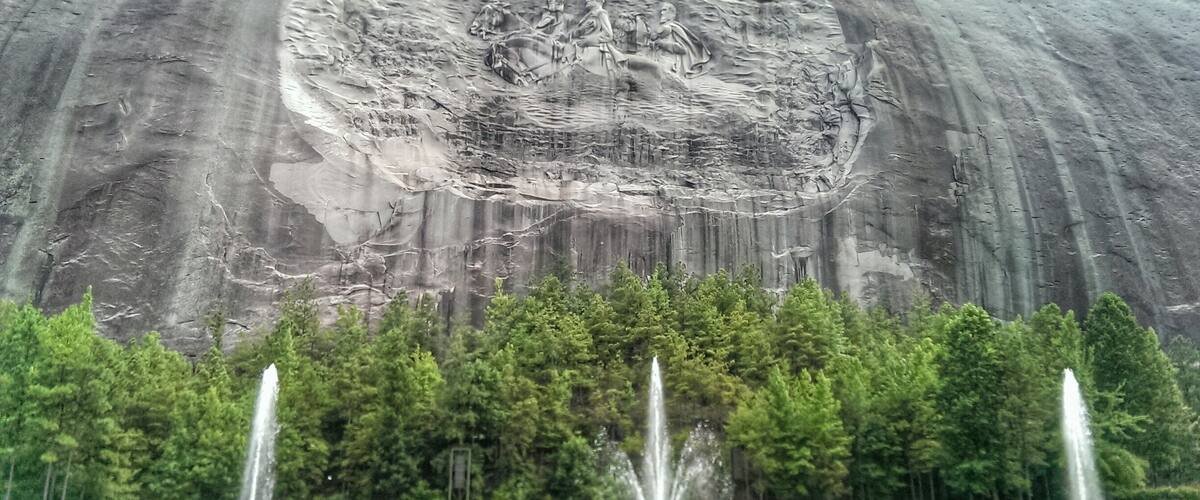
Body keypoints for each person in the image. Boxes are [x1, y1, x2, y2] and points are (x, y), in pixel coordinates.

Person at [651, 2, 710, 77]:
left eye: (664, 10)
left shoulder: (675, 28)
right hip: (655, 58)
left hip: (669, 62)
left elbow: (683, 49)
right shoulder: (662, 28)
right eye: (661, 11)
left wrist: (662, 44)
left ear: (671, 13)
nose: (662, 13)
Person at [569, 0, 627, 72]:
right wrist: (581, 30)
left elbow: (608, 34)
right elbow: (576, 33)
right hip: (579, 45)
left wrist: (588, 40)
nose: (587, 0)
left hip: (592, 47)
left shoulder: (601, 13)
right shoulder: (588, 15)